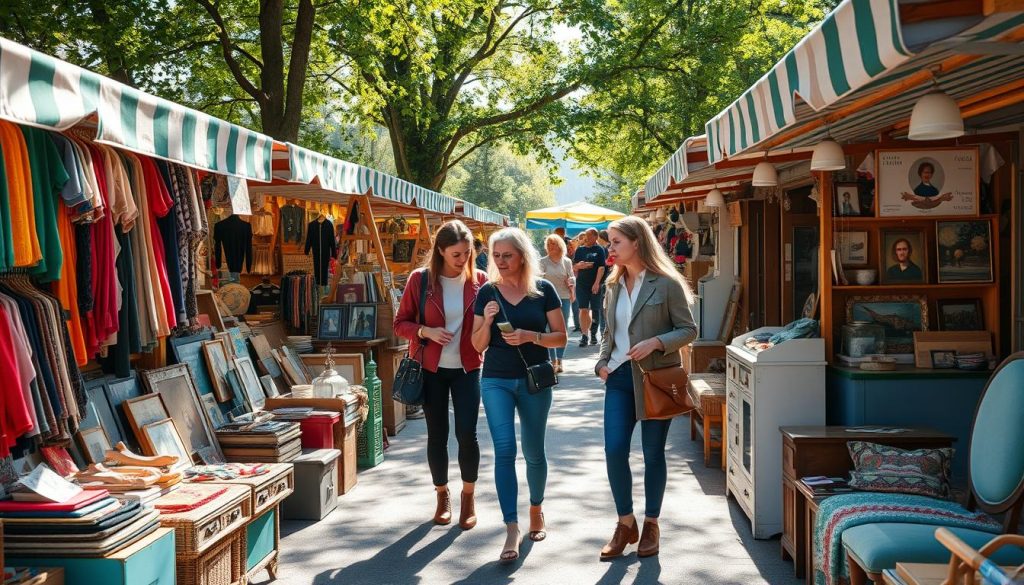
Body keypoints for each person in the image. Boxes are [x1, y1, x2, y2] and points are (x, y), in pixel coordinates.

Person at [595, 216, 697, 560]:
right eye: (610, 242)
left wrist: (656, 341)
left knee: (653, 454)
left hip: (654, 379)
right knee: (613, 450)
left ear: (636, 243)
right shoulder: (612, 285)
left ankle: (651, 523)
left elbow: (688, 330)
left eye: (615, 242)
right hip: (620, 379)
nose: (610, 248)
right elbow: (609, 333)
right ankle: (626, 523)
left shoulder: (665, 283)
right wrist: (602, 363)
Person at [472, 227, 567, 562]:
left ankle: (536, 509)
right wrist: (485, 321)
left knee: (533, 451)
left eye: (507, 255)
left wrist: (530, 336)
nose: (500, 261)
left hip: (533, 379)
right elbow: (476, 344)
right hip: (495, 379)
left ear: (523, 255)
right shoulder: (487, 292)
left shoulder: (544, 290)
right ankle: (511, 526)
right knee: (504, 450)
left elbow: (561, 337)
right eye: (496, 256)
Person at [395, 220, 488, 530]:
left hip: (467, 367)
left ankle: (468, 497)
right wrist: (425, 331)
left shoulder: (481, 281)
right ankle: (442, 494)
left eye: (467, 253)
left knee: (467, 434)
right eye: (456, 255)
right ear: (440, 252)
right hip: (430, 369)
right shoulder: (420, 280)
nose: (463, 260)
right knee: (437, 435)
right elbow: (400, 323)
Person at [539, 235, 575, 373]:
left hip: (564, 297)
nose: (550, 247)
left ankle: (560, 360)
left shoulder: (566, 262)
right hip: (547, 300)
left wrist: (571, 284)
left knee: (562, 330)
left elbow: (571, 277)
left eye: (553, 244)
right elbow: (537, 279)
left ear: (560, 245)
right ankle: (552, 361)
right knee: (548, 330)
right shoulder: (542, 262)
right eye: (548, 244)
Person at [573, 227, 607, 347]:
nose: (586, 238)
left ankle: (593, 334)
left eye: (588, 235)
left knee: (595, 309)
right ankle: (584, 335)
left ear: (595, 237)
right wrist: (579, 266)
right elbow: (574, 267)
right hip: (581, 284)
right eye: (585, 235)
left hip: (595, 283)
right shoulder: (580, 250)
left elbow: (601, 267)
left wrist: (597, 283)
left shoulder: (600, 250)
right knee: (583, 309)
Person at [566, 234, 581, 332]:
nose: (569, 249)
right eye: (568, 247)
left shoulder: (577, 254)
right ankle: (577, 325)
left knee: (576, 305)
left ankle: (578, 325)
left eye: (571, 247)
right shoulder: (565, 257)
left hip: (578, 282)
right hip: (568, 283)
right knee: (572, 305)